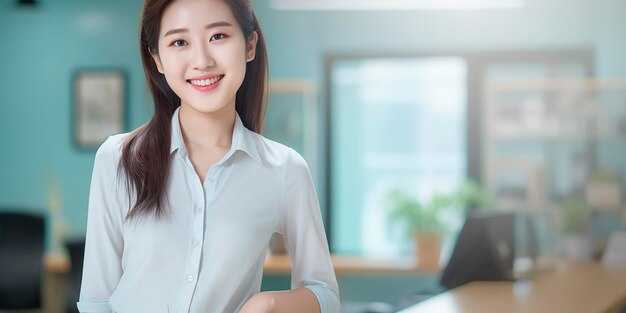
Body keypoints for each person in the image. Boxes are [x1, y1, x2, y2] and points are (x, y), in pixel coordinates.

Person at [76, 0, 340, 312]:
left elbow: (325, 294)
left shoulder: (284, 169)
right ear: (157, 58)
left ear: (250, 45)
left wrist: (267, 303)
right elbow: (97, 302)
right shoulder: (117, 159)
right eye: (179, 42)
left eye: (218, 37)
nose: (201, 60)